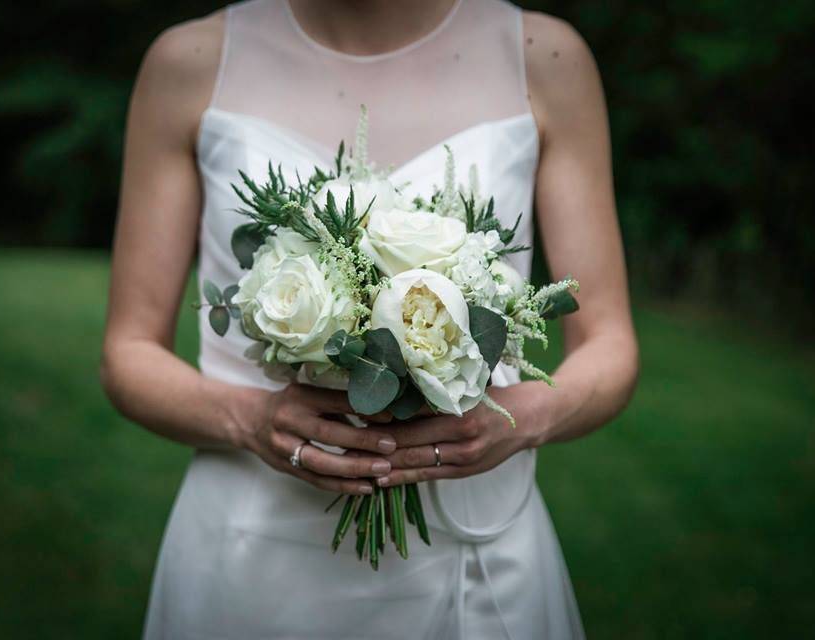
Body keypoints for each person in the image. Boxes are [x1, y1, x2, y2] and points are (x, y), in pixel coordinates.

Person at [101, 0, 638, 637]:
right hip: (251, 549)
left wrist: (516, 422)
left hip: (475, 553)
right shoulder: (189, 62)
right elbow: (127, 350)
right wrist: (249, 420)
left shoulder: (543, 58)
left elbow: (609, 340)